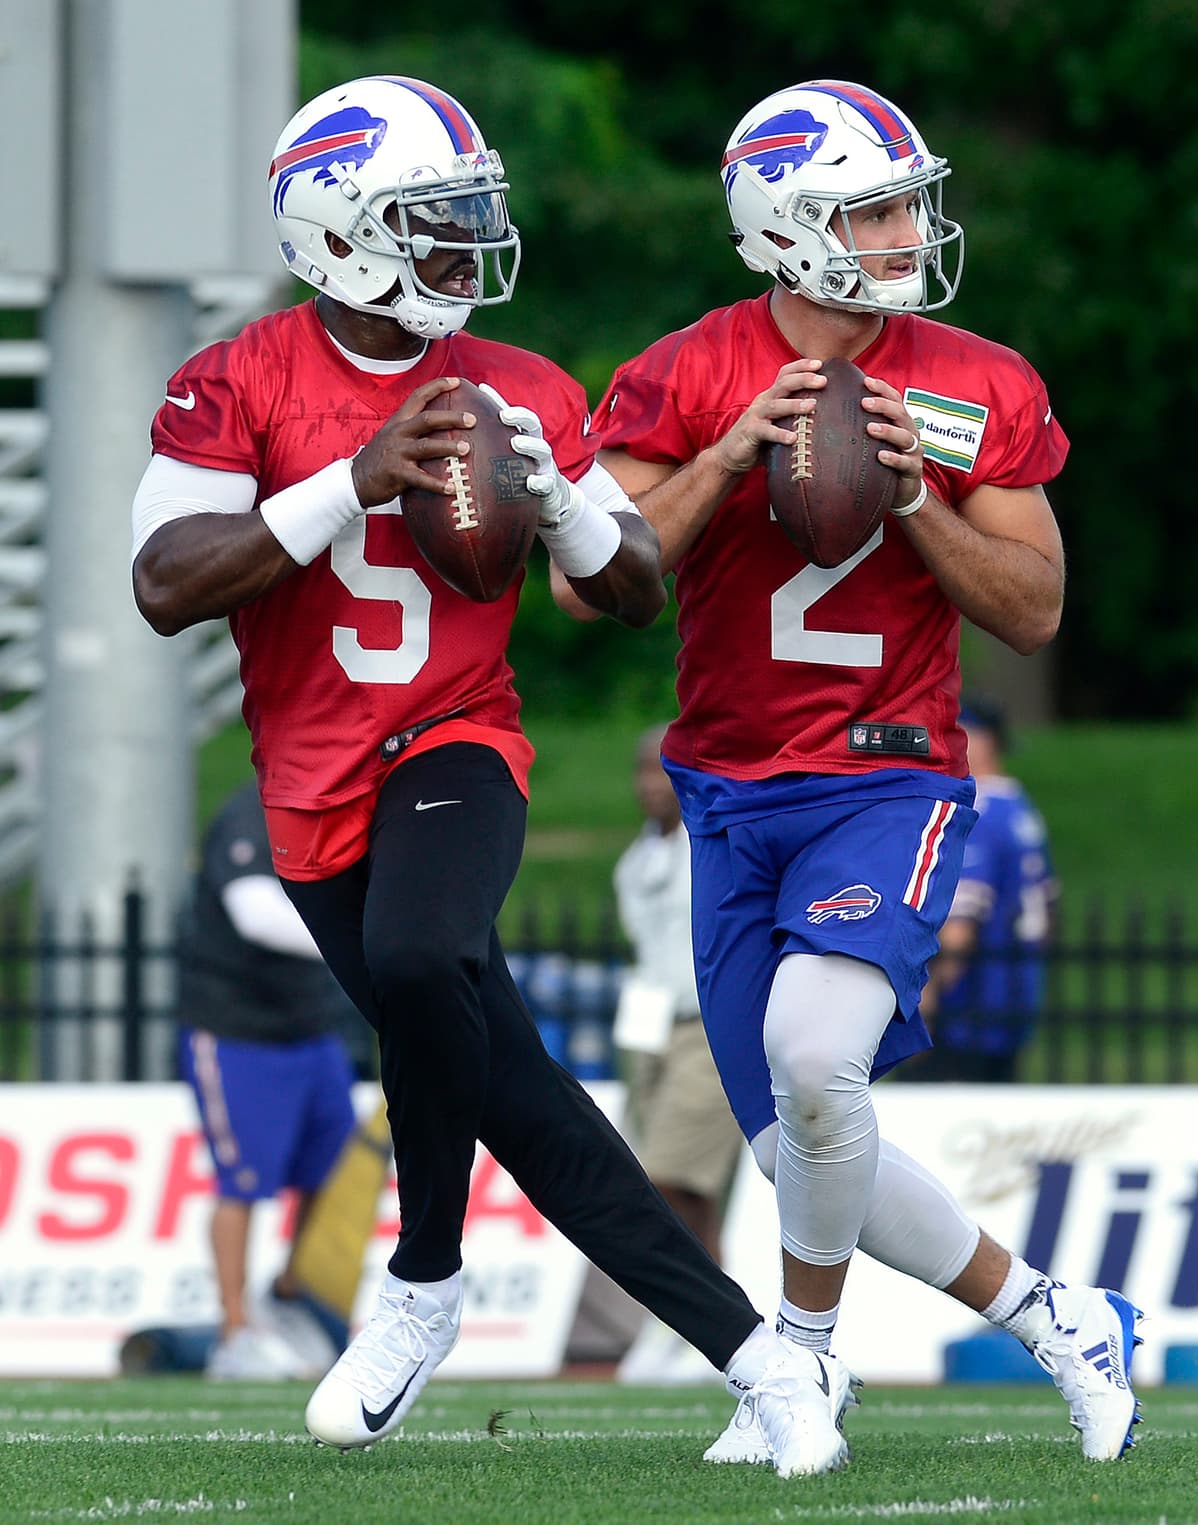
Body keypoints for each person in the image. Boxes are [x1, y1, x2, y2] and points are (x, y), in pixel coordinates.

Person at [130, 75, 850, 1478]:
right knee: (519, 1096)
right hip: (311, 781)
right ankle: (763, 1359)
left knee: (418, 954)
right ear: (337, 230)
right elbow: (165, 584)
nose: (466, 246)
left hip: (458, 740)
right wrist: (350, 479)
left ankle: (419, 1282)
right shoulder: (235, 379)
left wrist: (568, 501)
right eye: (433, 219)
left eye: (472, 214)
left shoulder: (521, 383)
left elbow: (633, 590)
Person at [579, 79, 1143, 1462]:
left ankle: (803, 1362)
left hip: (886, 778)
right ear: (785, 225)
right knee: (800, 1140)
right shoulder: (684, 373)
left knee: (814, 1059)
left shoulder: (975, 380)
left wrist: (914, 503)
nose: (907, 232)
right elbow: (592, 587)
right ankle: (1060, 1318)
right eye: (872, 210)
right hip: (729, 792)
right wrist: (727, 456)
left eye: (907, 204)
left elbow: (1033, 608)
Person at [178, 780, 361, 1380]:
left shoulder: (339, 806)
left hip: (311, 1024)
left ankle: (289, 1297)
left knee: (331, 1172)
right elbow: (255, 913)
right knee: (243, 1182)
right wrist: (359, 942)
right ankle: (234, 1331)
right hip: (238, 1028)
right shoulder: (251, 811)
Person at [612, 725, 743, 1384]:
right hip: (648, 1031)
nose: (650, 786)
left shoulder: (714, 844)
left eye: (662, 772)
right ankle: (718, 1323)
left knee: (668, 1177)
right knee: (687, 1190)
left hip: (705, 1027)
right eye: (642, 772)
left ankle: (690, 1319)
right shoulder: (635, 861)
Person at [913, 698, 1060, 1081]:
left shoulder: (979, 812)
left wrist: (928, 994)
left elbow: (960, 924)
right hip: (1012, 996)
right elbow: (1049, 906)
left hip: (965, 1009)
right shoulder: (1021, 809)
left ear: (981, 740)